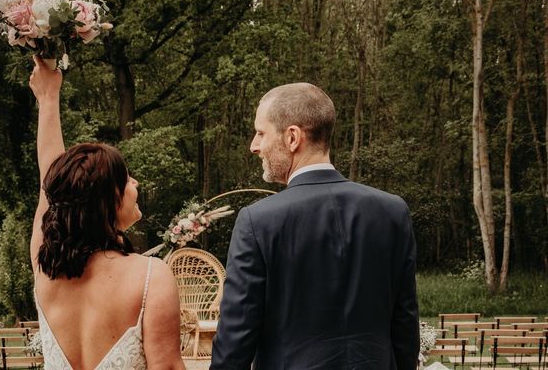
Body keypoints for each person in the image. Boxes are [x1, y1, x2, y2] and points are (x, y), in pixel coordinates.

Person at [210, 83, 419, 370]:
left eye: (260, 133)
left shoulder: (257, 222)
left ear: (293, 137)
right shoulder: (393, 211)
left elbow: (235, 342)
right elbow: (405, 326)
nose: (254, 146)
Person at [28, 56, 186, 370]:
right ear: (108, 198)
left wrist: (48, 99)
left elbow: (50, 183)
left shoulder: (46, 270)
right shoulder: (151, 277)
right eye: (127, 178)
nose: (135, 182)